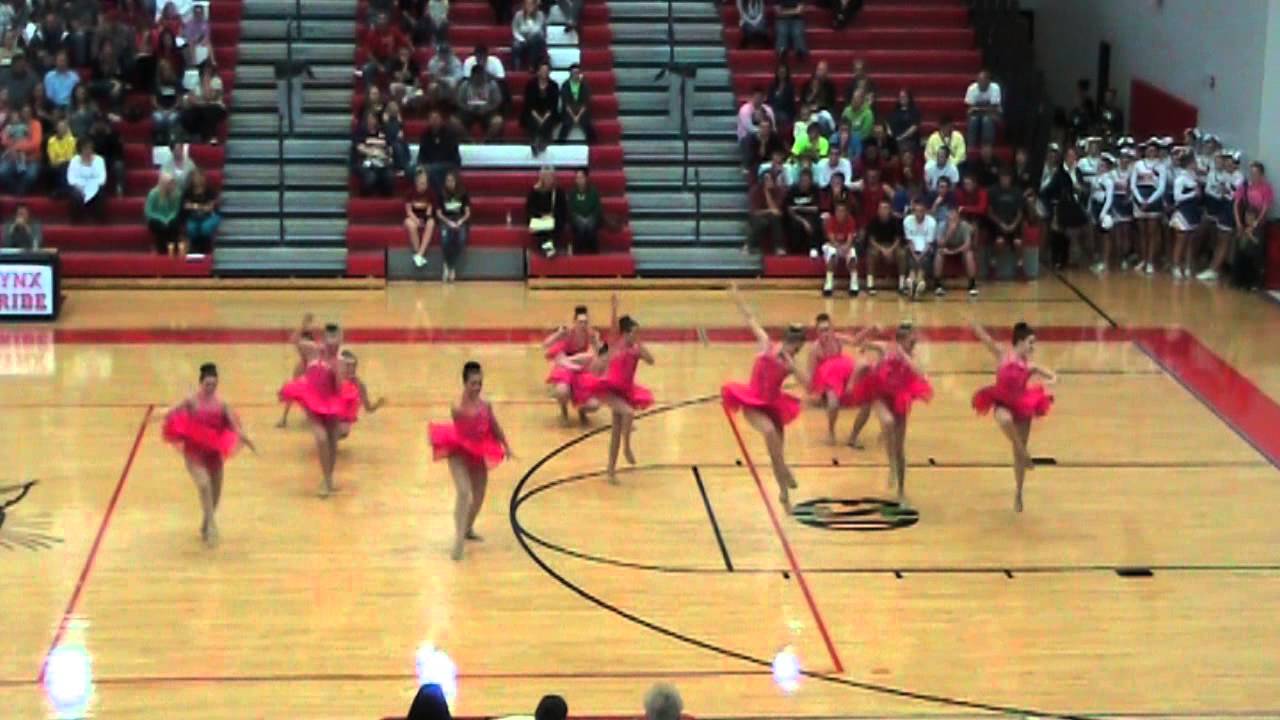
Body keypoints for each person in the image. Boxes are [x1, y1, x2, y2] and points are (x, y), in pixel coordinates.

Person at [721, 285, 808, 512]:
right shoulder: (767, 345)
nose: (797, 353)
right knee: (770, 434)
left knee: (777, 450)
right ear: (792, 343)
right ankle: (784, 489)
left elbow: (808, 384)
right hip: (752, 401)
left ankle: (784, 484)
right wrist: (736, 296)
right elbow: (750, 319)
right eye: (797, 349)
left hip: (773, 405)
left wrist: (794, 368)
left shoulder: (790, 363)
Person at [162, 363, 256, 547]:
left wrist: (248, 440)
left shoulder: (222, 405)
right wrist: (158, 416)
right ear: (201, 383)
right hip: (194, 452)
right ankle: (212, 525)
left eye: (214, 384)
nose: (211, 388)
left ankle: (206, 521)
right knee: (204, 485)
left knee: (215, 494)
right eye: (207, 384)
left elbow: (236, 428)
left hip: (214, 454)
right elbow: (172, 411)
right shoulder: (191, 401)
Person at [428, 361, 514, 560]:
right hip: (459, 448)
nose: (477, 387)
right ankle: (458, 539)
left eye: (479, 383)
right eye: (473, 383)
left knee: (480, 494)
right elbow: (464, 431)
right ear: (464, 383)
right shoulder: (457, 407)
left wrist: (506, 445)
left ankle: (467, 528)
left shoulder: (486, 405)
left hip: (479, 448)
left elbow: (494, 426)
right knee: (464, 492)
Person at [970, 321, 1056, 512]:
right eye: (1030, 342)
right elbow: (987, 341)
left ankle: (1019, 491)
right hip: (1001, 401)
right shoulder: (1003, 355)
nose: (1033, 347)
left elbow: (1049, 373)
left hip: (1022, 404)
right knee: (1005, 420)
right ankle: (1023, 453)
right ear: (1020, 341)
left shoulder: (1029, 366)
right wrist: (977, 328)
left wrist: (1053, 379)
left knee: (1017, 455)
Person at [845, 323, 931, 506]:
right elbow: (857, 342)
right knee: (887, 421)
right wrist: (870, 329)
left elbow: (920, 373)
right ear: (900, 340)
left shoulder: (910, 356)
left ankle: (900, 488)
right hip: (879, 392)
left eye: (914, 342)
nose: (913, 345)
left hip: (898, 397)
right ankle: (891, 463)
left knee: (900, 448)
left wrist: (905, 356)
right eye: (911, 342)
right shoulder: (885, 348)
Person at [576, 314, 655, 482]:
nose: (636, 336)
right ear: (625, 333)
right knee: (628, 413)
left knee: (616, 431)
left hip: (625, 390)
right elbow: (612, 328)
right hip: (609, 388)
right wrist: (613, 309)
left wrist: (641, 347)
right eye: (634, 333)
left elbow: (651, 361)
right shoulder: (616, 346)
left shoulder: (636, 348)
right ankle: (627, 447)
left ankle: (610, 470)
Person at [278, 323, 347, 497]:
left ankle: (329, 479)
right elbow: (294, 340)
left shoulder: (339, 362)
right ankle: (325, 481)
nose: (333, 343)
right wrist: (304, 323)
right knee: (321, 438)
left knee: (332, 442)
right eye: (330, 339)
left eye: (337, 340)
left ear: (340, 341)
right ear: (325, 338)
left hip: (330, 403)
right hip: (312, 399)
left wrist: (337, 371)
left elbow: (339, 389)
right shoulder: (313, 350)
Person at [806, 314, 876, 444]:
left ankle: (855, 388)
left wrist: (869, 329)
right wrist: (812, 392)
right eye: (822, 330)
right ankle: (831, 432)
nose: (825, 333)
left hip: (843, 370)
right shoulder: (815, 349)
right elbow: (811, 373)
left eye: (827, 329)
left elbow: (855, 341)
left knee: (864, 365)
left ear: (832, 329)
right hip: (828, 378)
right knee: (833, 404)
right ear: (817, 332)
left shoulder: (836, 338)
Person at [543, 303, 605, 422]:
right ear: (575, 322)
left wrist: (597, 342)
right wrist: (558, 334)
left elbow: (603, 353)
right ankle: (564, 410)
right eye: (580, 322)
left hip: (579, 367)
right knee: (562, 391)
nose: (583, 324)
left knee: (594, 404)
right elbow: (546, 344)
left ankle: (582, 411)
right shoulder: (567, 332)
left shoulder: (590, 334)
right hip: (565, 366)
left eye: (585, 322)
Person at [1197, 149, 1243, 283]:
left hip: (1231, 210)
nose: (1227, 163)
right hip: (1223, 208)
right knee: (1220, 240)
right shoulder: (1226, 175)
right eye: (1226, 160)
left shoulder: (1239, 178)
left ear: (1236, 164)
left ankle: (1214, 269)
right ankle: (1215, 267)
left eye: (1230, 161)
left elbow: (1235, 197)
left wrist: (1226, 192)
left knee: (1224, 240)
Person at [1232, 161, 1273, 289]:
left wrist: (1256, 223)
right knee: (1241, 249)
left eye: (1255, 173)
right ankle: (1239, 279)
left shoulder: (1266, 188)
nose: (1253, 175)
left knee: (1255, 251)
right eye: (1251, 173)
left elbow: (1266, 207)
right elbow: (1236, 204)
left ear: (1261, 174)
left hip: (1258, 223)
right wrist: (1239, 222)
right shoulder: (1244, 186)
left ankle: (1254, 281)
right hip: (1244, 220)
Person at [1130, 141, 1167, 275]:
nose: (1151, 152)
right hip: (1139, 197)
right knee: (1142, 233)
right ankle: (1143, 259)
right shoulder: (1138, 165)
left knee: (1152, 233)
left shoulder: (1161, 166)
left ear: (1157, 152)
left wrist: (1150, 201)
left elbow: (1162, 186)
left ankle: (1150, 261)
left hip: (1154, 199)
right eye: (1148, 150)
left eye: (1153, 150)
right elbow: (1133, 184)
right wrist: (1140, 199)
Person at [276, 313, 317, 428]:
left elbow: (293, 338)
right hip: (308, 367)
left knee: (296, 391)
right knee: (293, 391)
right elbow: (294, 338)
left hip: (311, 368)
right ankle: (284, 419)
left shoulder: (307, 344)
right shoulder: (310, 345)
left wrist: (303, 324)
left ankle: (285, 419)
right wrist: (304, 324)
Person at [335, 350, 386, 440]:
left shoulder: (359, 384)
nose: (351, 369)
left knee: (343, 431)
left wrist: (378, 404)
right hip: (331, 417)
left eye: (353, 366)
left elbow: (368, 408)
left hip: (343, 421)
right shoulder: (333, 379)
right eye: (347, 366)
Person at [988, 165, 1026, 279]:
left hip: (1014, 224)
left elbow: (1020, 213)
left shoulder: (1017, 192)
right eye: (1002, 177)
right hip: (999, 224)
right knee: (999, 242)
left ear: (1010, 179)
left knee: (1018, 243)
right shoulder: (993, 191)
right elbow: (990, 212)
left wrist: (1014, 224)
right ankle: (992, 266)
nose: (1005, 180)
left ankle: (1020, 267)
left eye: (1007, 178)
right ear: (999, 178)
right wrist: (1001, 224)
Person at [932, 210, 978, 296]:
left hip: (960, 249)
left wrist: (954, 251)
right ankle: (937, 285)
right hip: (946, 249)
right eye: (950, 219)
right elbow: (939, 244)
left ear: (959, 219)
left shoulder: (964, 226)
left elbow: (967, 244)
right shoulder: (942, 226)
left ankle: (972, 285)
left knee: (969, 254)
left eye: (955, 219)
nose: (952, 221)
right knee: (939, 254)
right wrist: (949, 232)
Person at [863, 199, 905, 295]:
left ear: (890, 210)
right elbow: (871, 240)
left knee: (902, 254)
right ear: (878, 210)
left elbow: (898, 239)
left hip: (892, 246)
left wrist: (890, 250)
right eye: (881, 208)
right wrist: (882, 250)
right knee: (871, 254)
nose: (883, 210)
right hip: (878, 246)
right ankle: (870, 285)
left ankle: (902, 285)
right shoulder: (873, 221)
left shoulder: (896, 221)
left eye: (886, 208)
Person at [436, 170, 471, 281]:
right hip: (446, 220)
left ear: (456, 181)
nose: (449, 183)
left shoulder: (463, 193)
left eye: (451, 181)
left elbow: (467, 213)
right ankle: (448, 265)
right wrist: (448, 222)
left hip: (460, 219)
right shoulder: (441, 193)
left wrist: (460, 221)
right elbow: (438, 213)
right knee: (445, 239)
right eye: (447, 181)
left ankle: (451, 265)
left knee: (461, 239)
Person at [416, 109, 461, 193]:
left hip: (449, 163)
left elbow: (450, 154)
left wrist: (426, 167)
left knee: (430, 170)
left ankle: (440, 194)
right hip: (430, 165)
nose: (434, 121)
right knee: (411, 169)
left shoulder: (450, 133)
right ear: (428, 121)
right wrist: (419, 165)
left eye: (436, 118)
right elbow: (421, 153)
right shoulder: (425, 134)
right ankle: (419, 193)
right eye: (432, 119)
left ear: (441, 120)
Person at [180, 61, 226, 143]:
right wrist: (200, 103)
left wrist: (206, 81)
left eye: (208, 70)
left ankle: (211, 137)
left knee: (208, 111)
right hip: (199, 107)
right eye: (205, 70)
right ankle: (192, 136)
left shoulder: (216, 81)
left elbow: (209, 97)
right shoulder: (194, 81)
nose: (207, 72)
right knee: (187, 114)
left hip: (215, 107)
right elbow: (191, 99)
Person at [0, 103, 41, 195]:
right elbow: (4, 139)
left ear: (32, 112)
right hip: (13, 158)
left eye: (28, 111)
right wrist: (12, 146)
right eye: (24, 112)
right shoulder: (14, 123)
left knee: (31, 176)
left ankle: (20, 193)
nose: (26, 114)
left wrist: (16, 147)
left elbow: (35, 144)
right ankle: (15, 191)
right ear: (20, 113)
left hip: (31, 159)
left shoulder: (35, 124)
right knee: (2, 172)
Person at [456, 65, 505, 142]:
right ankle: (470, 141)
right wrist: (468, 108)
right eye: (476, 76)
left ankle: (484, 142)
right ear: (472, 76)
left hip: (487, 112)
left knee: (498, 121)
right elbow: (459, 101)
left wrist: (488, 108)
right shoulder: (465, 85)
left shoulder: (492, 84)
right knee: (454, 121)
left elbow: (497, 101)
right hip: (468, 112)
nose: (479, 78)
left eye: (481, 75)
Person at [821, 201, 859, 296]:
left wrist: (846, 247)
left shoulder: (850, 220)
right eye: (838, 211)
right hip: (832, 245)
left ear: (846, 212)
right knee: (832, 253)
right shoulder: (831, 220)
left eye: (842, 211)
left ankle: (854, 284)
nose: (840, 213)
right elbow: (831, 238)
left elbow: (850, 238)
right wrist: (838, 247)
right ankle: (828, 284)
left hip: (845, 245)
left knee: (853, 255)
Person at [521, 59, 559, 155]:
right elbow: (528, 104)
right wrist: (538, 117)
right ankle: (536, 142)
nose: (544, 73)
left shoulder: (554, 85)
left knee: (547, 121)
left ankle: (541, 143)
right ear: (538, 72)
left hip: (549, 113)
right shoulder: (530, 85)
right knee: (533, 121)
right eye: (542, 70)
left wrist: (544, 117)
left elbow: (553, 105)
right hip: (533, 112)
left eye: (546, 71)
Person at [526, 165, 565, 257]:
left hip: (554, 219)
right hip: (538, 219)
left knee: (552, 225)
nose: (548, 179)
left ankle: (547, 249)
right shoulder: (535, 191)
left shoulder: (558, 191)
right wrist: (541, 215)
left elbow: (563, 209)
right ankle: (548, 249)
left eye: (550, 177)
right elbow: (529, 209)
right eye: (545, 177)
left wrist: (552, 215)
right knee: (543, 227)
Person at [902, 197, 936, 300]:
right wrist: (915, 255)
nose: (918, 213)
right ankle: (914, 282)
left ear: (925, 211)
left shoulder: (931, 222)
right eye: (916, 211)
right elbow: (909, 241)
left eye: (921, 211)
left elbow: (929, 244)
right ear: (913, 211)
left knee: (923, 263)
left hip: (926, 249)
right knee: (912, 263)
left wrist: (920, 256)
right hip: (913, 249)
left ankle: (916, 282)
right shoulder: (907, 220)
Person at [353, 111, 394, 197]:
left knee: (389, 176)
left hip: (382, 162)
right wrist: (375, 153)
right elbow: (359, 148)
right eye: (369, 118)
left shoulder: (383, 131)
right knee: (371, 177)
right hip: (365, 162)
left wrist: (388, 156)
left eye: (373, 118)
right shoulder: (360, 131)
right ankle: (364, 201)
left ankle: (385, 201)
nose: (371, 121)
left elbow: (389, 148)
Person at [66, 138, 107, 222]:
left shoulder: (99, 160)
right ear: (80, 150)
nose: (88, 151)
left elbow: (102, 178)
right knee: (75, 195)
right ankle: (76, 219)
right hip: (79, 187)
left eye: (90, 148)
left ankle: (99, 219)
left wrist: (92, 186)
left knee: (100, 193)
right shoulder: (74, 160)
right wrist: (79, 187)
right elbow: (71, 178)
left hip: (95, 186)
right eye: (85, 148)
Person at [182, 167, 220, 254]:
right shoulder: (188, 191)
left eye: (200, 177)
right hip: (193, 217)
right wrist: (200, 207)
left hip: (209, 216)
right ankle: (194, 249)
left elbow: (209, 207)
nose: (198, 179)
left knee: (205, 227)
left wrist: (194, 206)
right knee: (191, 228)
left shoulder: (209, 190)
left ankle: (206, 249)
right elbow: (186, 206)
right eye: (196, 177)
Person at [747, 170, 786, 254]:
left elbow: (777, 211)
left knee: (775, 218)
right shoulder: (755, 190)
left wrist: (767, 193)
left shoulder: (778, 191)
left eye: (771, 179)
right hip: (758, 216)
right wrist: (769, 210)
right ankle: (749, 246)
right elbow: (755, 212)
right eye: (767, 180)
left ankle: (779, 247)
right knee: (761, 222)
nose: (770, 182)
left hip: (771, 216)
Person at [145, 172, 184, 255]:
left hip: (170, 217)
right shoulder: (153, 193)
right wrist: (162, 219)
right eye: (169, 183)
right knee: (160, 226)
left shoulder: (176, 194)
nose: (172, 185)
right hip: (156, 218)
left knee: (173, 224)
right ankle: (162, 250)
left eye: (172, 183)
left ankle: (174, 249)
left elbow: (175, 210)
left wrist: (168, 219)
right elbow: (148, 212)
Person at [557, 63, 596, 144]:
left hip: (581, 110)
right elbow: (566, 104)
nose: (576, 75)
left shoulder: (584, 85)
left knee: (588, 125)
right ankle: (560, 144)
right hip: (569, 110)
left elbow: (585, 103)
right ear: (570, 74)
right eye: (574, 73)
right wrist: (573, 116)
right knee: (566, 124)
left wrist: (578, 116)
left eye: (578, 73)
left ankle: (593, 144)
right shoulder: (565, 85)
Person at [405, 168, 436, 268]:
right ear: (416, 182)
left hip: (425, 217)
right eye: (422, 183)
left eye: (425, 183)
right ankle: (418, 254)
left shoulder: (430, 192)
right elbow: (408, 210)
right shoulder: (410, 192)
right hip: (413, 217)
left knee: (431, 223)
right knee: (411, 224)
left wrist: (426, 219)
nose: (424, 185)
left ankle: (420, 254)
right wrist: (416, 220)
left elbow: (430, 209)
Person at [567, 168, 603, 254]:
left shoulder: (593, 192)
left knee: (590, 227)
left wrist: (590, 218)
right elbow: (570, 209)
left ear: (586, 178)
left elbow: (598, 208)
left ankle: (593, 254)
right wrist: (578, 218)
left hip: (591, 218)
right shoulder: (572, 193)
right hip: (577, 219)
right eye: (577, 178)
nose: (579, 180)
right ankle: (578, 253)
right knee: (580, 227)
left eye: (581, 177)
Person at [963, 69, 1001, 148]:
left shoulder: (995, 88)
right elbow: (970, 108)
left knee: (986, 120)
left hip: (991, 114)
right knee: (973, 119)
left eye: (983, 82)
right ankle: (971, 147)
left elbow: (994, 108)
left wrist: (978, 108)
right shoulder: (972, 88)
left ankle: (987, 147)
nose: (980, 84)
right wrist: (986, 108)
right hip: (977, 114)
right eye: (979, 81)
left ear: (988, 81)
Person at [511, 0, 546, 70]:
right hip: (521, 39)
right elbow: (515, 30)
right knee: (516, 45)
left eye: (532, 4)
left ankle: (532, 65)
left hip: (535, 39)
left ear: (535, 5)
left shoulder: (540, 15)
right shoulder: (518, 14)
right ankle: (516, 67)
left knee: (536, 40)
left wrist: (528, 18)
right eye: (527, 4)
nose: (529, 6)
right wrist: (522, 39)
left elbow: (537, 29)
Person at [45, 118, 76, 193]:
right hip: (55, 164)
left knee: (64, 167)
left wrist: (60, 160)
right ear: (56, 129)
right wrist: (59, 161)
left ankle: (61, 191)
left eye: (63, 127)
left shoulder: (72, 140)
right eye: (59, 127)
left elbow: (70, 156)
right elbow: (52, 157)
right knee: (54, 168)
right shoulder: (51, 140)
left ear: (66, 129)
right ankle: (63, 190)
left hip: (68, 164)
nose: (61, 129)